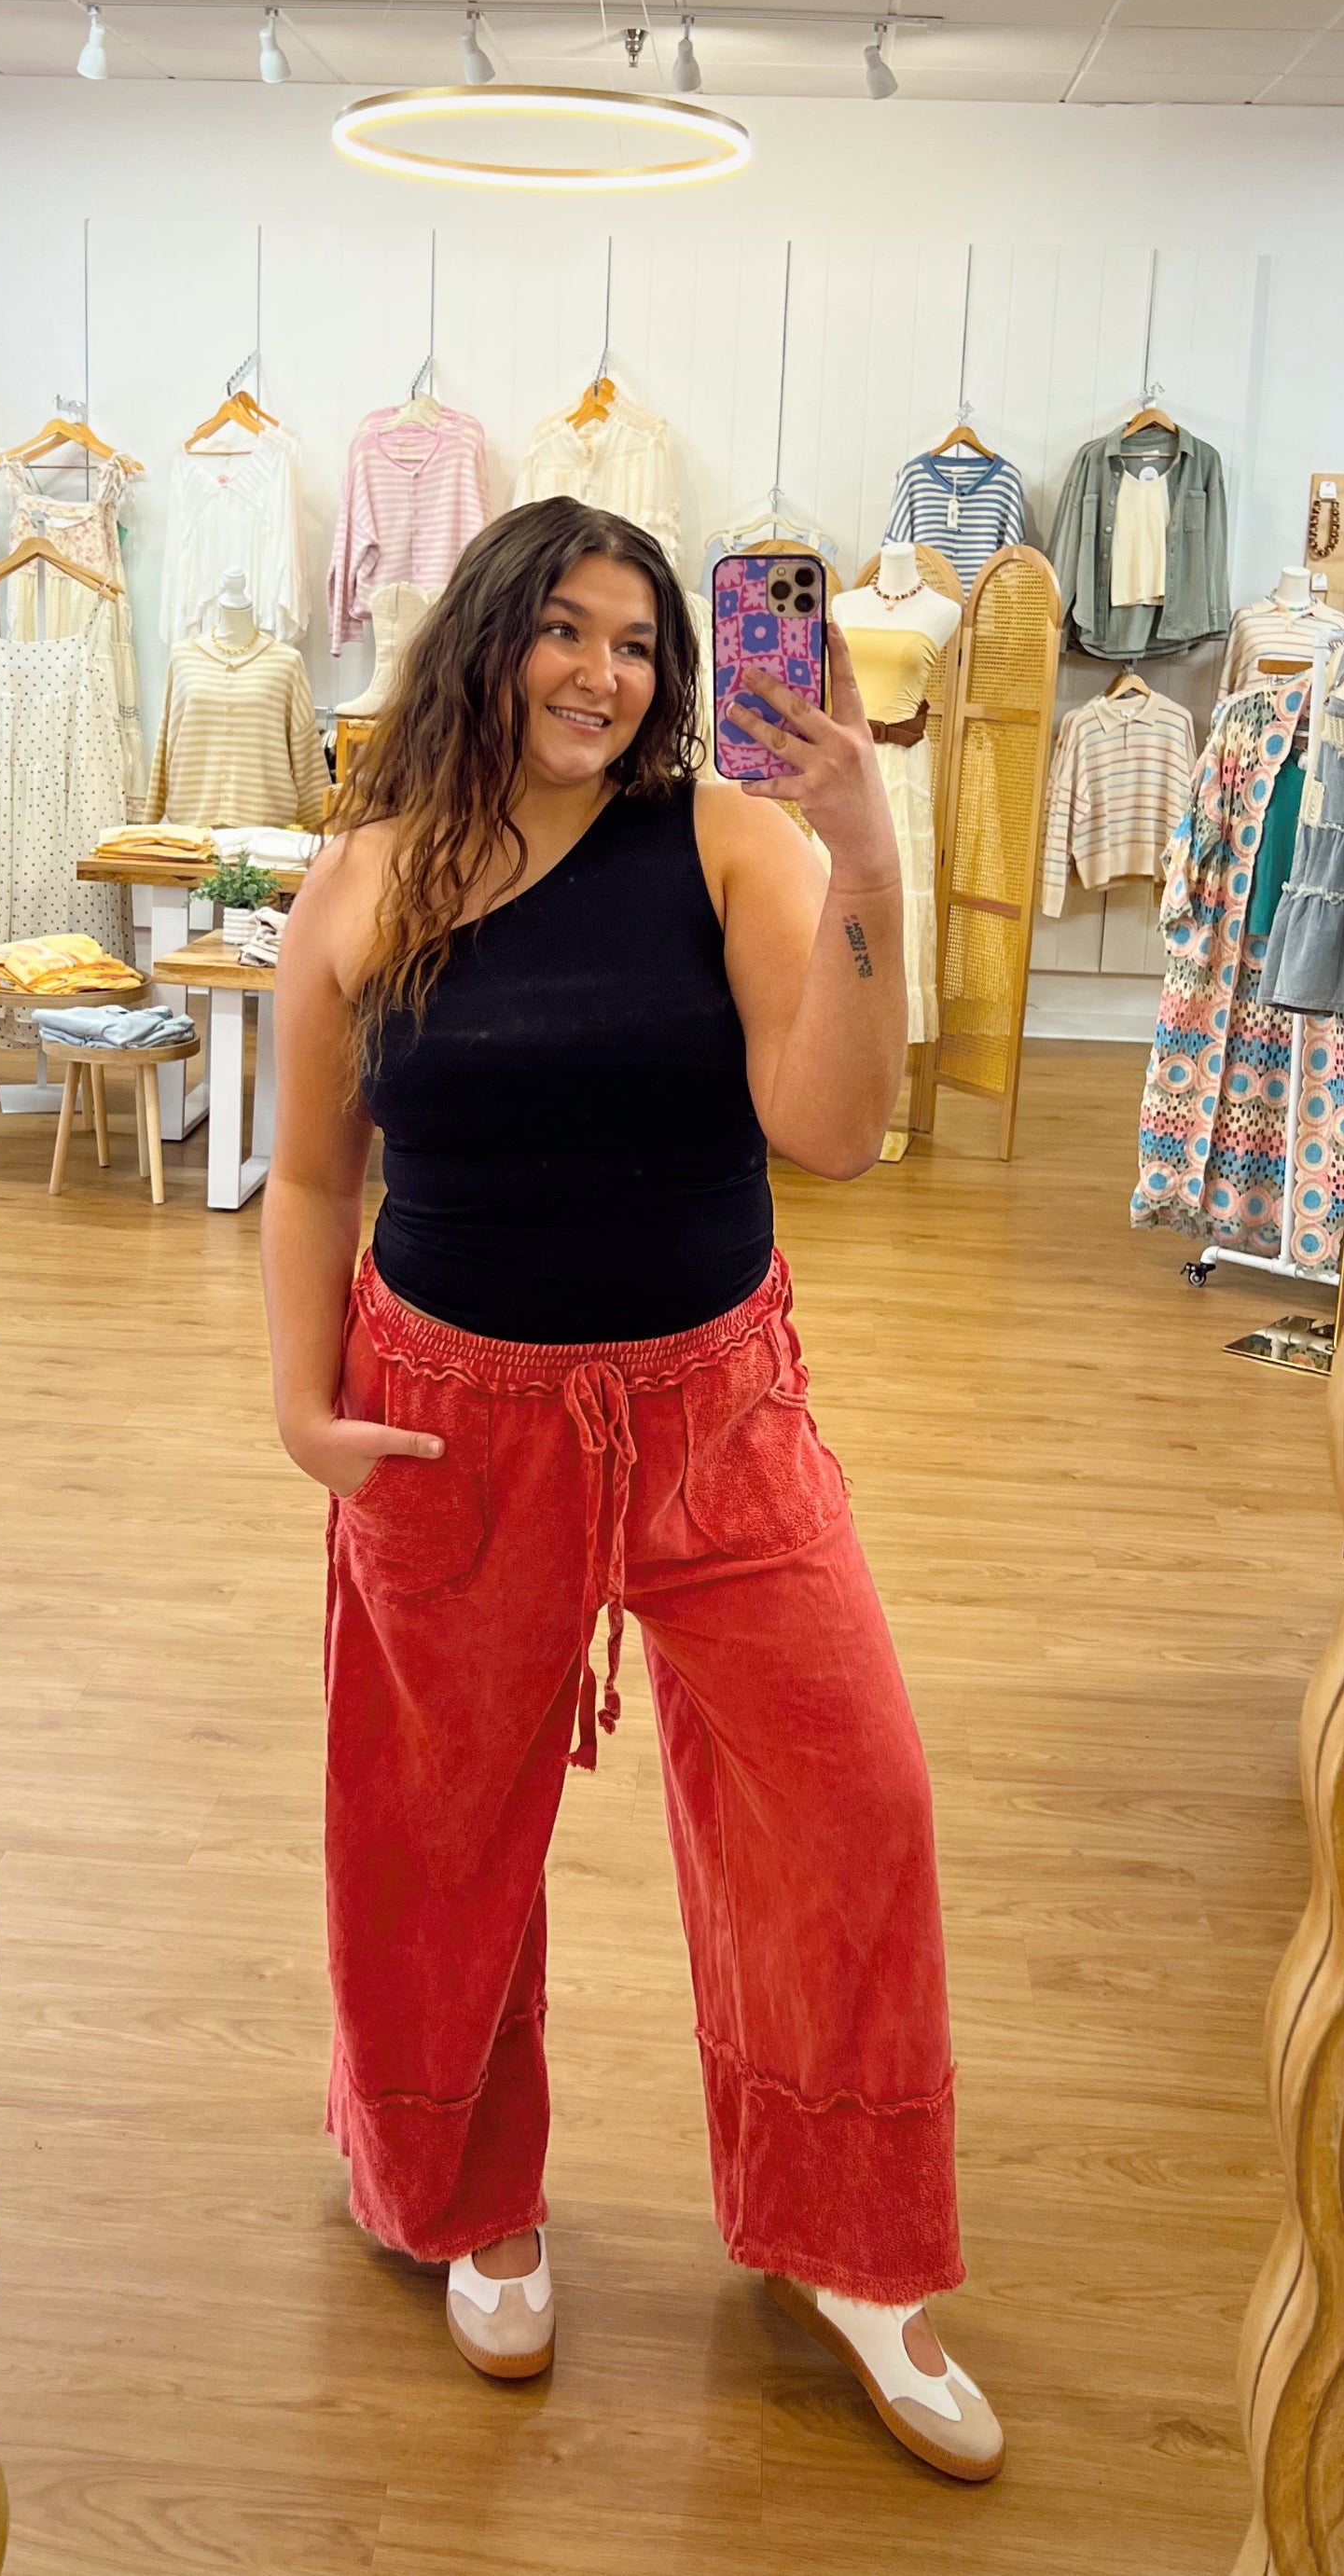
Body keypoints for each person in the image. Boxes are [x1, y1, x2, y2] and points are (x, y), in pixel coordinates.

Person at [261, 495, 1002, 2484]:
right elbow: (315, 1171)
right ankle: (458, 2187)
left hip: (713, 1409)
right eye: (567, 629)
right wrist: (301, 1407)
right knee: (432, 1826)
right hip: (447, 1416)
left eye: (642, 640)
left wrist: (866, 858)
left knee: (852, 1794)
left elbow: (832, 1133)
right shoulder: (364, 879)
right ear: (488, 636)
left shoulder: (732, 841)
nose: (605, 672)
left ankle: (850, 2243)